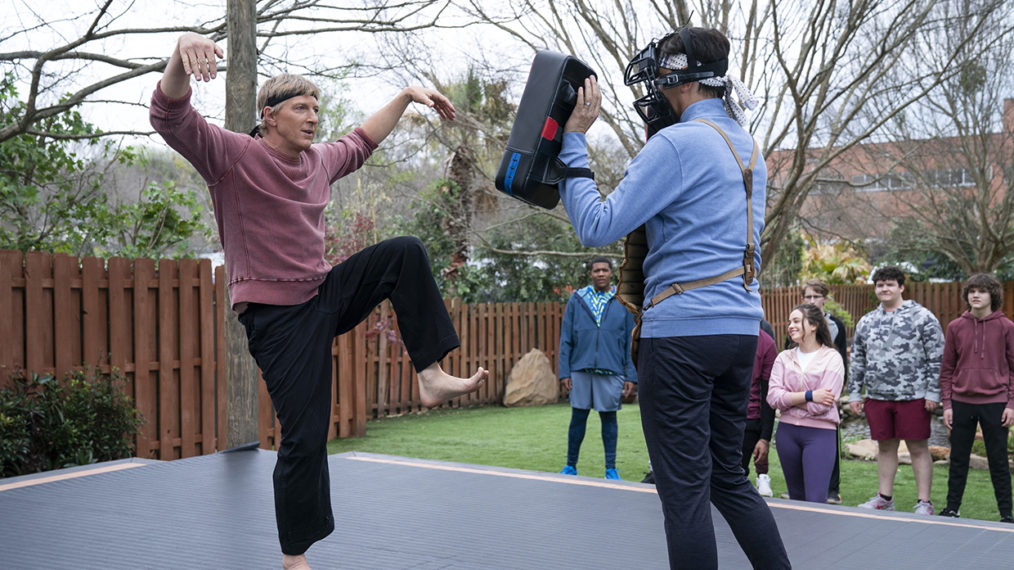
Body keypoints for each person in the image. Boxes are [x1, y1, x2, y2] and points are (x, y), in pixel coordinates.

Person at [150, 33, 488, 569]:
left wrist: (405, 95)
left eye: (316, 108)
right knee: (305, 437)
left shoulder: (318, 162)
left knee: (404, 251)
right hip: (276, 319)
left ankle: (429, 372)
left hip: (323, 294)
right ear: (269, 116)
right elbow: (171, 118)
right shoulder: (233, 156)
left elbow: (362, 140)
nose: (313, 117)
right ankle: (294, 558)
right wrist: (179, 58)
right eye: (301, 108)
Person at [559, 27, 789, 569]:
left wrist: (574, 139)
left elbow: (596, 224)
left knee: (684, 492)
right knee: (727, 478)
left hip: (683, 335)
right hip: (740, 332)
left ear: (677, 77)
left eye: (660, 70)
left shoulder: (679, 143)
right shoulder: (747, 146)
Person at [848, 266, 943, 515]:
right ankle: (885, 498)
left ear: (901, 287)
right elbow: (857, 359)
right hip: (878, 396)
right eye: (879, 285)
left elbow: (937, 357)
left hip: (913, 396)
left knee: (918, 448)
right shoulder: (867, 321)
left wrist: (934, 392)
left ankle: (924, 502)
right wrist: (855, 393)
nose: (884, 288)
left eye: (889, 284)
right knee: (886, 448)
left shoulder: (922, 317)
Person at [938, 273, 1014, 522]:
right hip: (961, 402)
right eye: (971, 291)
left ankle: (1006, 514)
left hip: (995, 402)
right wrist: (947, 404)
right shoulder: (955, 327)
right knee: (958, 459)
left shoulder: (1006, 327)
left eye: (981, 291)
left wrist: (1011, 404)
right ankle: (951, 509)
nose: (975, 295)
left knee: (999, 461)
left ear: (992, 294)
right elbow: (947, 369)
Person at [558, 257, 637, 480]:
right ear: (591, 274)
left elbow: (630, 340)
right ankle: (570, 466)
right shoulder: (577, 299)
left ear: (611, 273)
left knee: (609, 419)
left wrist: (631, 374)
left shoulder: (621, 301)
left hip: (612, 370)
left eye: (604, 270)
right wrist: (565, 372)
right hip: (580, 369)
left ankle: (611, 469)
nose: (600, 274)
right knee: (578, 418)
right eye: (596, 270)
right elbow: (566, 338)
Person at [767, 305, 845, 503]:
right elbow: (772, 398)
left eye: (796, 321)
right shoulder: (784, 357)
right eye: (789, 322)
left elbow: (822, 406)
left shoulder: (832, 358)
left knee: (815, 500)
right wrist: (810, 395)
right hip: (787, 434)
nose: (790, 326)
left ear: (813, 325)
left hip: (820, 435)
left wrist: (789, 399)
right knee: (796, 499)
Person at [801, 278, 849, 504]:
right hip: (802, 394)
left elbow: (841, 362)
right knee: (800, 440)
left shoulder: (835, 325)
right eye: (808, 297)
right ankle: (801, 489)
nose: (812, 301)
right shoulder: (795, 324)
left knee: (828, 440)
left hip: (828, 391)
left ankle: (832, 491)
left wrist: (837, 395)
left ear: (825, 299)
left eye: (816, 297)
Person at [744, 325, 777, 497]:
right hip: (717, 418)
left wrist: (764, 437)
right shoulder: (719, 332)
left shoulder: (765, 342)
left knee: (734, 475)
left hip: (749, 420)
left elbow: (768, 393)